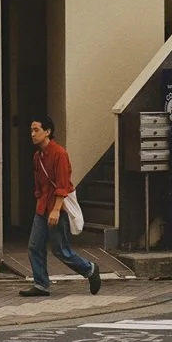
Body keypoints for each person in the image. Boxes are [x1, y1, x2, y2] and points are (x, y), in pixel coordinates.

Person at [20, 116, 101, 297]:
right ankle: (41, 284)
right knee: (34, 246)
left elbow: (63, 185)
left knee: (60, 250)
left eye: (36, 130)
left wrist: (56, 209)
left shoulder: (59, 154)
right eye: (31, 130)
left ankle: (90, 269)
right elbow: (39, 185)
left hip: (58, 207)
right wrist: (39, 202)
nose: (32, 134)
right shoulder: (37, 156)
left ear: (48, 132)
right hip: (42, 207)